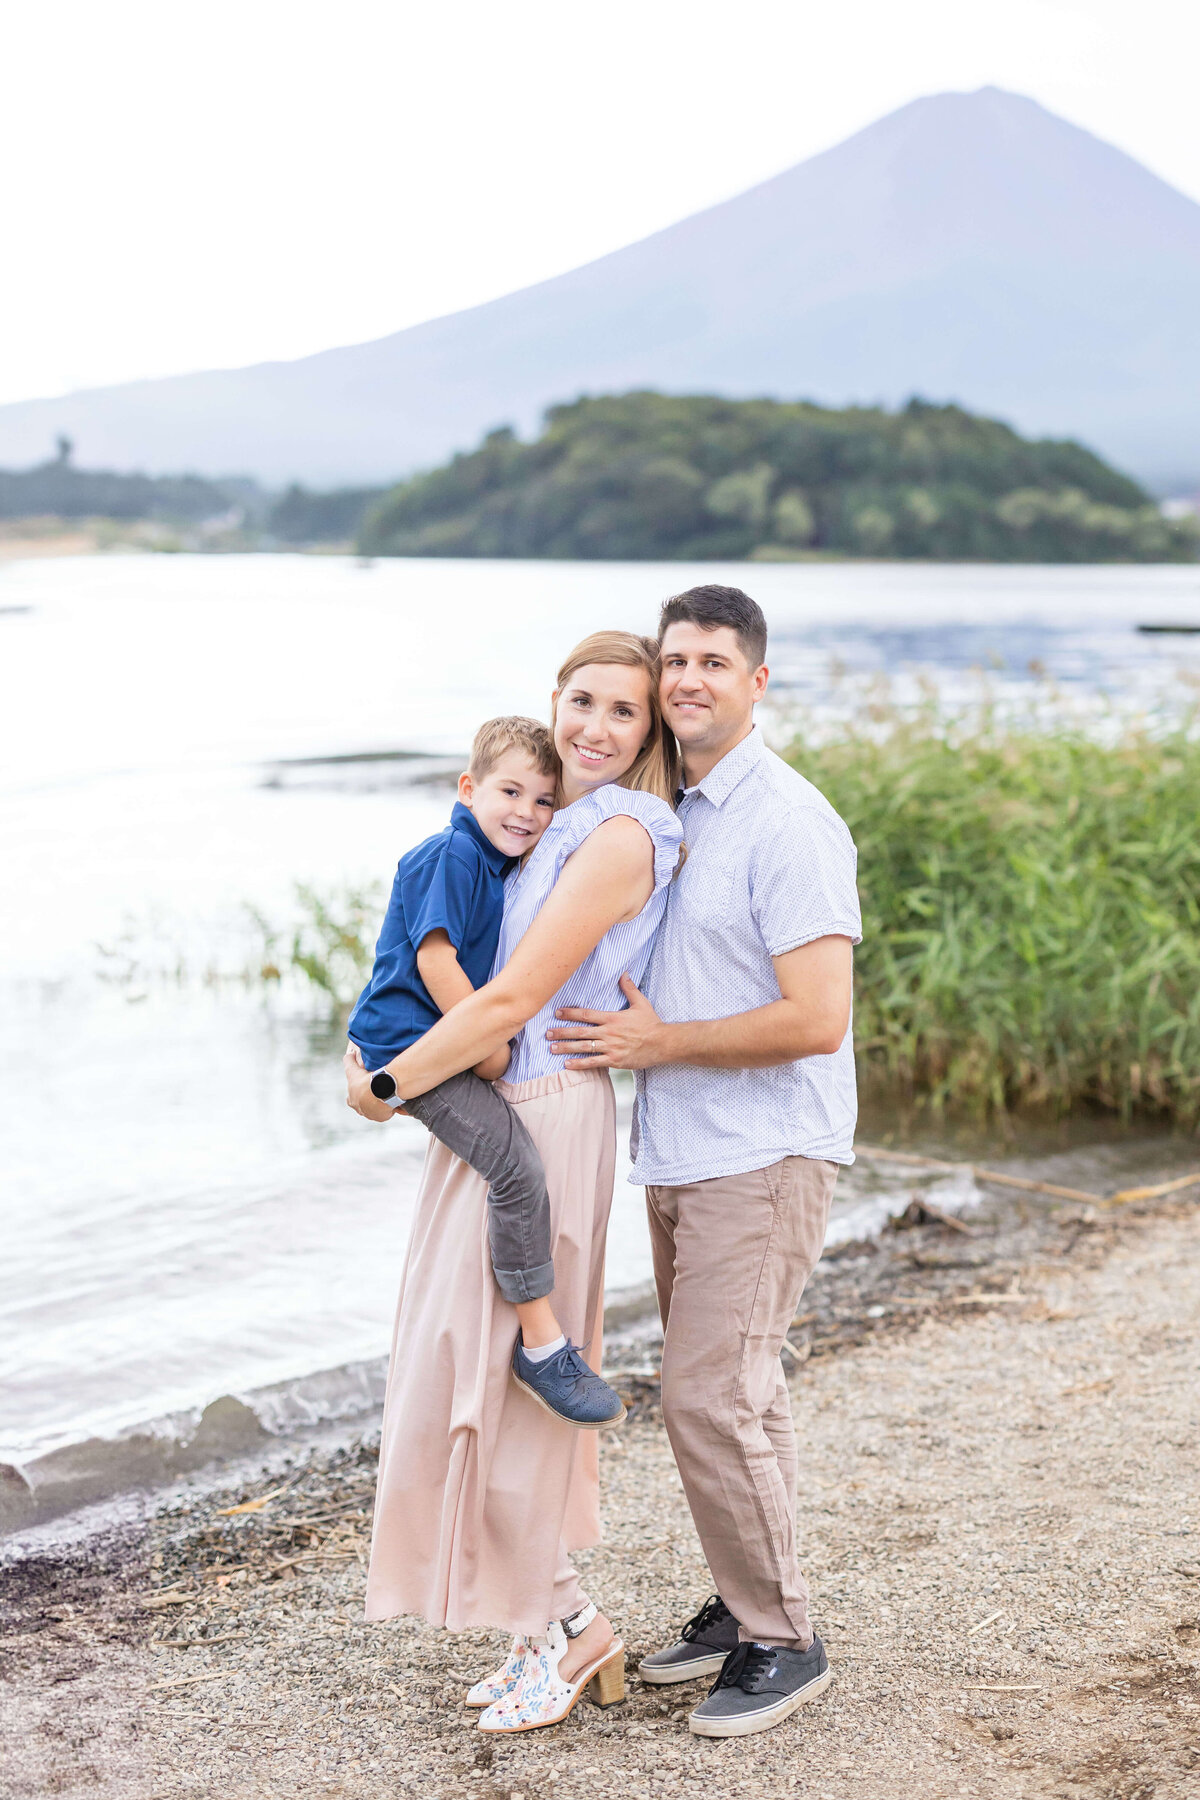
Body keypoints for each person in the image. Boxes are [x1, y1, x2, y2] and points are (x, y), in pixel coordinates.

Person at [344, 631, 685, 1735]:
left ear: (651, 730)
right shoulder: (548, 824)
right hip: (505, 1109)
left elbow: (503, 1006)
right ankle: (545, 1625)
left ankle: (569, 1629)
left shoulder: (622, 831)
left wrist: (383, 1084)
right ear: (553, 702)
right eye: (581, 701)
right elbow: (438, 956)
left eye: (624, 711)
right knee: (462, 1376)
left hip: (540, 1113)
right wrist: (387, 1048)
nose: (596, 726)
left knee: (504, 1386)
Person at [547, 584, 861, 1740]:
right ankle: (745, 1604)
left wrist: (658, 1044)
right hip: (682, 1148)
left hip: (765, 1151)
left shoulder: (789, 822)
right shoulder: (667, 807)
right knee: (744, 1391)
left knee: (706, 1395)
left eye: (713, 663)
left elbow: (818, 1017)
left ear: (757, 681)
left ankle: (784, 1638)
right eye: (675, 661)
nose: (688, 680)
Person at [345, 714, 622, 1428]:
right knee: (515, 1169)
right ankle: (541, 1343)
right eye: (510, 792)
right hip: (414, 1051)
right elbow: (435, 959)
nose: (526, 812)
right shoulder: (453, 855)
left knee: (507, 1167)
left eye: (544, 801)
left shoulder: (491, 860)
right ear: (469, 788)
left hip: (436, 1041)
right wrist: (491, 1049)